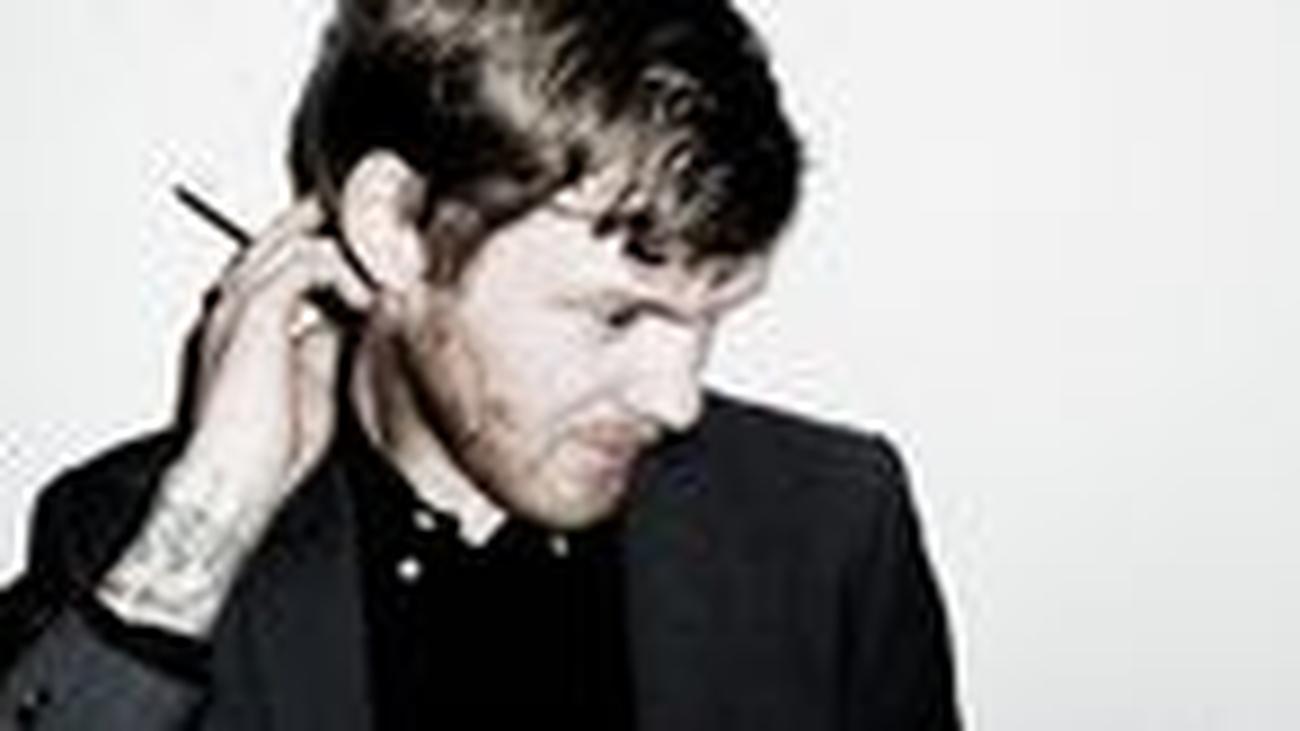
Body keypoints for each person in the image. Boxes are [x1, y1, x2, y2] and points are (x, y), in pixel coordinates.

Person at [0, 0, 960, 728]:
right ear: (395, 228)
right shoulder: (133, 540)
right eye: (615, 315)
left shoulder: (830, 527)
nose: (677, 401)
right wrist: (205, 526)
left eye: (708, 316)